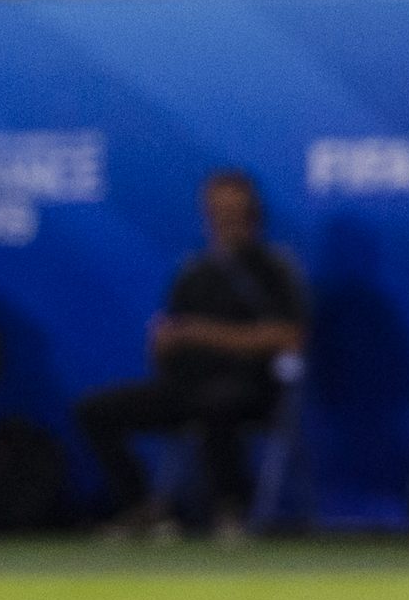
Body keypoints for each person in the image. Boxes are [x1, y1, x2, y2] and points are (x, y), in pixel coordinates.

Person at [75, 171, 308, 539]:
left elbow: (289, 335)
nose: (226, 220)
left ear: (253, 213)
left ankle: (230, 508)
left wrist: (203, 333)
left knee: (217, 403)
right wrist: (164, 344)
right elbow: (170, 336)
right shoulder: (194, 272)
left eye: (235, 210)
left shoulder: (273, 268)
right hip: (185, 386)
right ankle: (143, 506)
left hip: (251, 388)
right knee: (93, 410)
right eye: (218, 211)